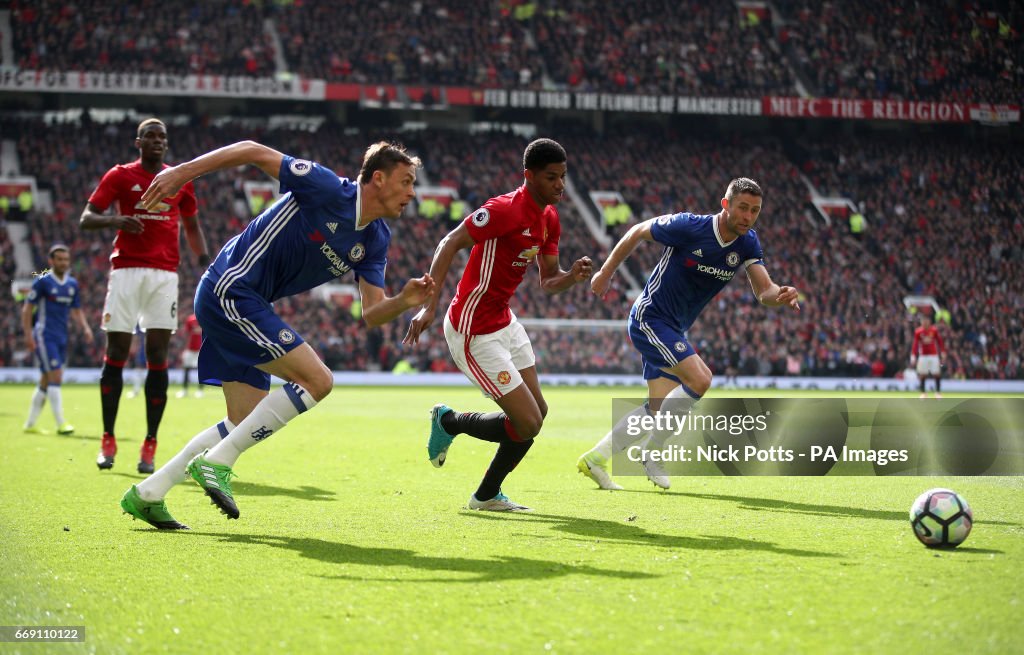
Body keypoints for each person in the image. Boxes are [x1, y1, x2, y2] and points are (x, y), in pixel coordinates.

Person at [120, 139, 434, 529]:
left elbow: (371, 313)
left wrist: (404, 301)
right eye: (406, 182)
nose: (411, 193)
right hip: (230, 289)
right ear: (379, 179)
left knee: (244, 419)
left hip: (248, 303)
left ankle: (149, 493)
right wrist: (180, 174)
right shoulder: (324, 187)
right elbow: (252, 150)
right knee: (318, 380)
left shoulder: (375, 238)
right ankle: (218, 462)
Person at [404, 138, 593, 512]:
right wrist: (429, 305)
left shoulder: (549, 218)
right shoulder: (504, 210)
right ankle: (450, 422)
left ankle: (487, 495)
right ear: (529, 176)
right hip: (472, 330)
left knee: (538, 414)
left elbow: (548, 280)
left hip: (505, 321)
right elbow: (448, 243)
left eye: (563, 176)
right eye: (552, 177)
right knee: (527, 422)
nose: (560, 185)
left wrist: (571, 277)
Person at [578, 178, 801, 490]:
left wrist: (779, 295)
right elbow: (638, 231)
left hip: (674, 327)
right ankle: (651, 452)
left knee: (657, 410)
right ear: (725, 204)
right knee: (700, 379)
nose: (748, 216)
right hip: (650, 318)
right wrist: (606, 271)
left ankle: (595, 459)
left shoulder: (747, 242)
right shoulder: (688, 226)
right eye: (742, 208)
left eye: (755, 210)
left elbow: (764, 290)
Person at [81, 118, 211, 474]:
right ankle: (108, 438)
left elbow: (192, 226)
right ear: (138, 142)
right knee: (117, 352)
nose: (157, 140)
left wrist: (205, 262)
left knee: (157, 353)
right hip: (125, 271)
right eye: (150, 136)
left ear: (166, 144)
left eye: (162, 137)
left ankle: (150, 443)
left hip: (164, 275)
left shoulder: (178, 180)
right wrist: (116, 222)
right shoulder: (120, 176)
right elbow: (86, 218)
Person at [22, 244, 94, 434]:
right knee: (56, 375)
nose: (63, 262)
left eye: (66, 259)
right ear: (51, 261)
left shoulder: (71, 285)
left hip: (62, 335)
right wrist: (28, 335)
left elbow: (76, 310)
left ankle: (30, 424)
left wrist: (85, 328)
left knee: (46, 379)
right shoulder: (42, 282)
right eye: (59, 259)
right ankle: (61, 423)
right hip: (45, 335)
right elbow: (27, 309)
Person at [911, 313, 945, 398]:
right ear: (921, 322)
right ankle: (923, 393)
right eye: (923, 321)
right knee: (923, 374)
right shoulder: (918, 331)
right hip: (923, 355)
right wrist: (913, 355)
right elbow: (915, 344)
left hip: (933, 355)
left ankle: (937, 392)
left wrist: (943, 351)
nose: (925, 322)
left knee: (937, 373)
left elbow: (940, 341)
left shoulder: (934, 330)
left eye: (926, 321)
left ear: (929, 322)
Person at [177, 311, 204, 398]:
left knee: (201, 370)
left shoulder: (204, 318)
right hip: (190, 349)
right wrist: (183, 349)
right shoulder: (190, 319)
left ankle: (200, 391)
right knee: (186, 369)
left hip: (200, 348)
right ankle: (185, 390)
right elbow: (186, 334)